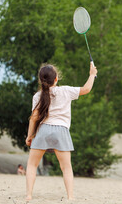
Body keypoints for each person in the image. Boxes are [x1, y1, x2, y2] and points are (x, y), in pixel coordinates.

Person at [25, 62, 97, 201]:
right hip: (62, 131)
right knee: (66, 168)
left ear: (41, 80)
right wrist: (92, 75)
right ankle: (70, 197)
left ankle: (29, 195)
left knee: (32, 165)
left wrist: (30, 136)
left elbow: (33, 118)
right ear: (56, 79)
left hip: (43, 131)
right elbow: (86, 89)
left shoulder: (37, 96)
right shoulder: (65, 91)